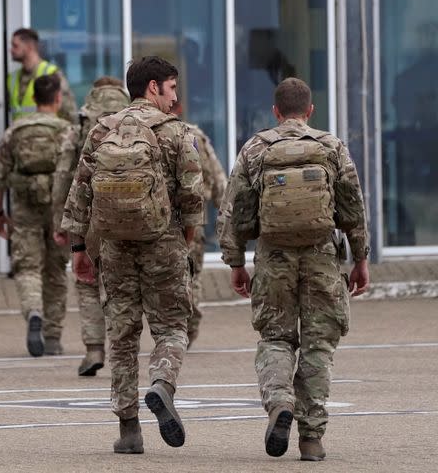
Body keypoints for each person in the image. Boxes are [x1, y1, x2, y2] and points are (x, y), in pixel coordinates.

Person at [217, 77, 370, 462]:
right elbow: (353, 209)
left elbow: (234, 211)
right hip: (322, 257)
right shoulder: (331, 147)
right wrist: (361, 258)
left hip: (273, 258)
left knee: (275, 338)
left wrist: (235, 262)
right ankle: (312, 438)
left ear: (275, 112)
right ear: (310, 111)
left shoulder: (256, 149)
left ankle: (280, 402)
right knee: (318, 346)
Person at [61, 56, 203, 454]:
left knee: (121, 336)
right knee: (172, 327)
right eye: (172, 88)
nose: (176, 98)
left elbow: (80, 191)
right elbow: (193, 195)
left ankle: (129, 431)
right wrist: (184, 240)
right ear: (153, 87)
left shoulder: (102, 130)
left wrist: (78, 248)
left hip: (114, 247)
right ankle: (161, 383)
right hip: (163, 243)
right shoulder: (177, 132)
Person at [52, 76, 130, 376]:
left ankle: (94, 350)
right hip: (128, 212)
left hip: (88, 213)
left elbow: (62, 177)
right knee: (122, 283)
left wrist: (59, 221)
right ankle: (123, 350)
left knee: (86, 280)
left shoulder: (81, 125)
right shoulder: (133, 119)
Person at [0, 74, 71, 357]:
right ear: (58, 99)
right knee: (56, 271)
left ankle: (34, 311)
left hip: (25, 208)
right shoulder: (67, 130)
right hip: (59, 209)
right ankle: (52, 337)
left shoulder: (15, 131)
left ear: (34, 99)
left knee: (28, 268)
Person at [170, 99, 227, 346]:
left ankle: (174, 328)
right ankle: (190, 325)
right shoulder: (196, 137)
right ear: (180, 109)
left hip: (162, 221)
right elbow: (219, 181)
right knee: (192, 274)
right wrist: (228, 220)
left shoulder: (149, 135)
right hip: (195, 219)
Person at [8, 28, 77, 123]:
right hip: (20, 135)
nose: (11, 50)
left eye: (15, 46)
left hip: (47, 135)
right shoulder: (12, 78)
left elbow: (69, 111)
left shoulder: (51, 73)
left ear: (29, 47)